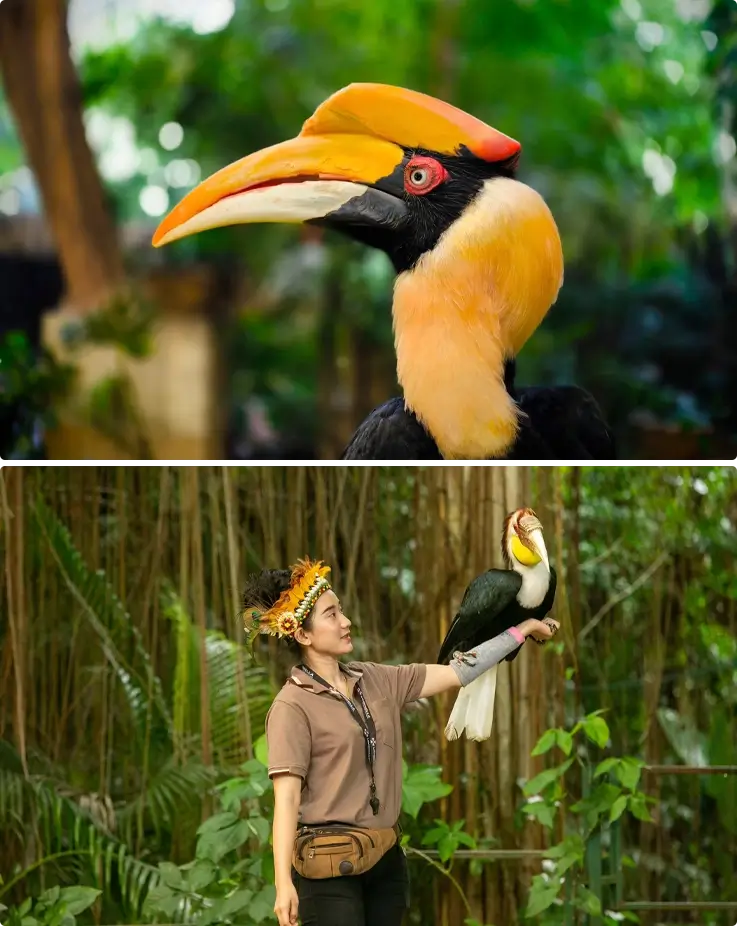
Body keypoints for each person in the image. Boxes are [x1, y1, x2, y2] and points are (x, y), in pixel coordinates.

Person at [243, 558, 560, 926]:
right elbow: (286, 801)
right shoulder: (291, 706)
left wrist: (522, 629)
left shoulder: (377, 679)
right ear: (303, 635)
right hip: (327, 873)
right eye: (332, 615)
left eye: (342, 610)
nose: (346, 622)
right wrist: (283, 884)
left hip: (386, 865)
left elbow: (460, 672)